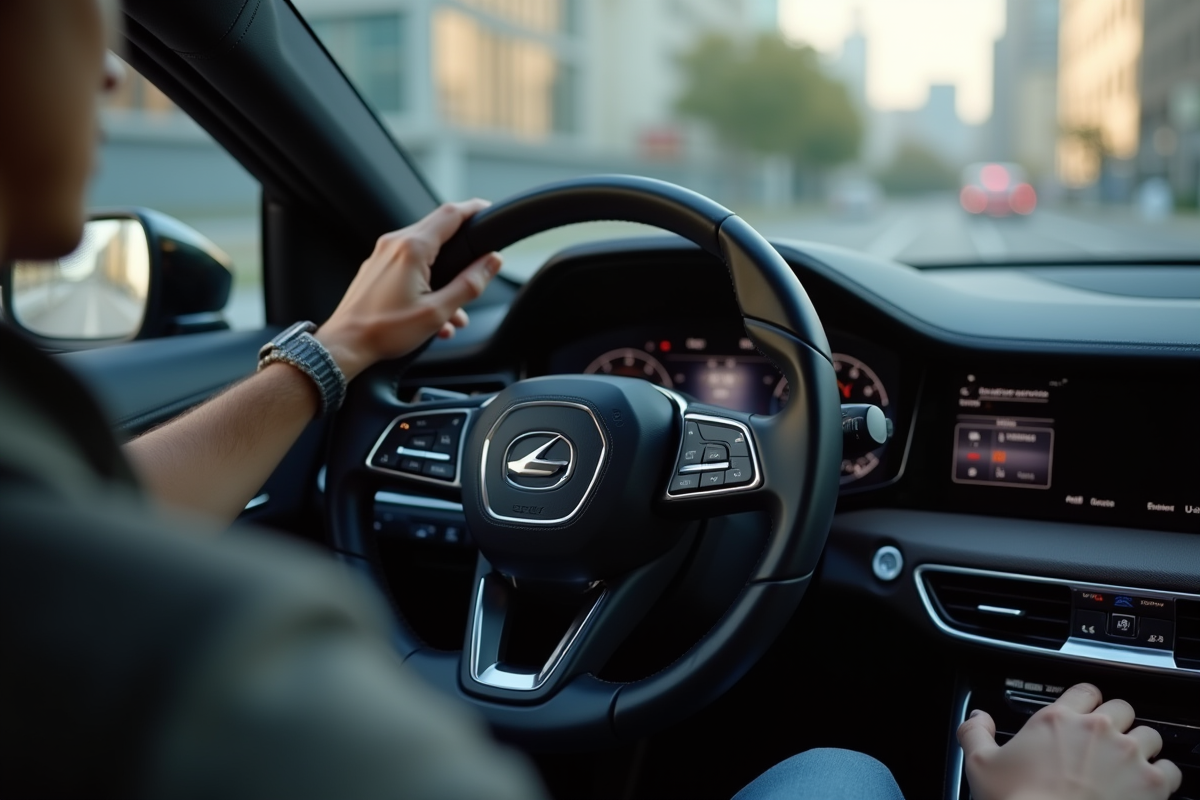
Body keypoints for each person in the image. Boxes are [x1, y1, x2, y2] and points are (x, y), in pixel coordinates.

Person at [0, 2, 1183, 799]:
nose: (113, 60)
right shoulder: (206, 663)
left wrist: (341, 349)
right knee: (844, 771)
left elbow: (116, 509)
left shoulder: (54, 546)